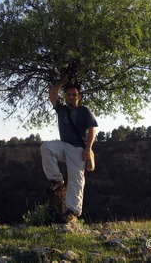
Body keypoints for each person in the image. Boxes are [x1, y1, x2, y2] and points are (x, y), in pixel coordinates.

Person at [40, 76, 98, 223]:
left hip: (78, 149)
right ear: (65, 96)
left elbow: (93, 130)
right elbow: (52, 94)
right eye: (69, 94)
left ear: (78, 97)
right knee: (46, 147)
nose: (71, 97)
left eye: (74, 95)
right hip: (63, 145)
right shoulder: (62, 110)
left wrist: (88, 148)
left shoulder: (84, 111)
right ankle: (56, 179)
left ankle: (72, 210)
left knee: (76, 180)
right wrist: (61, 81)